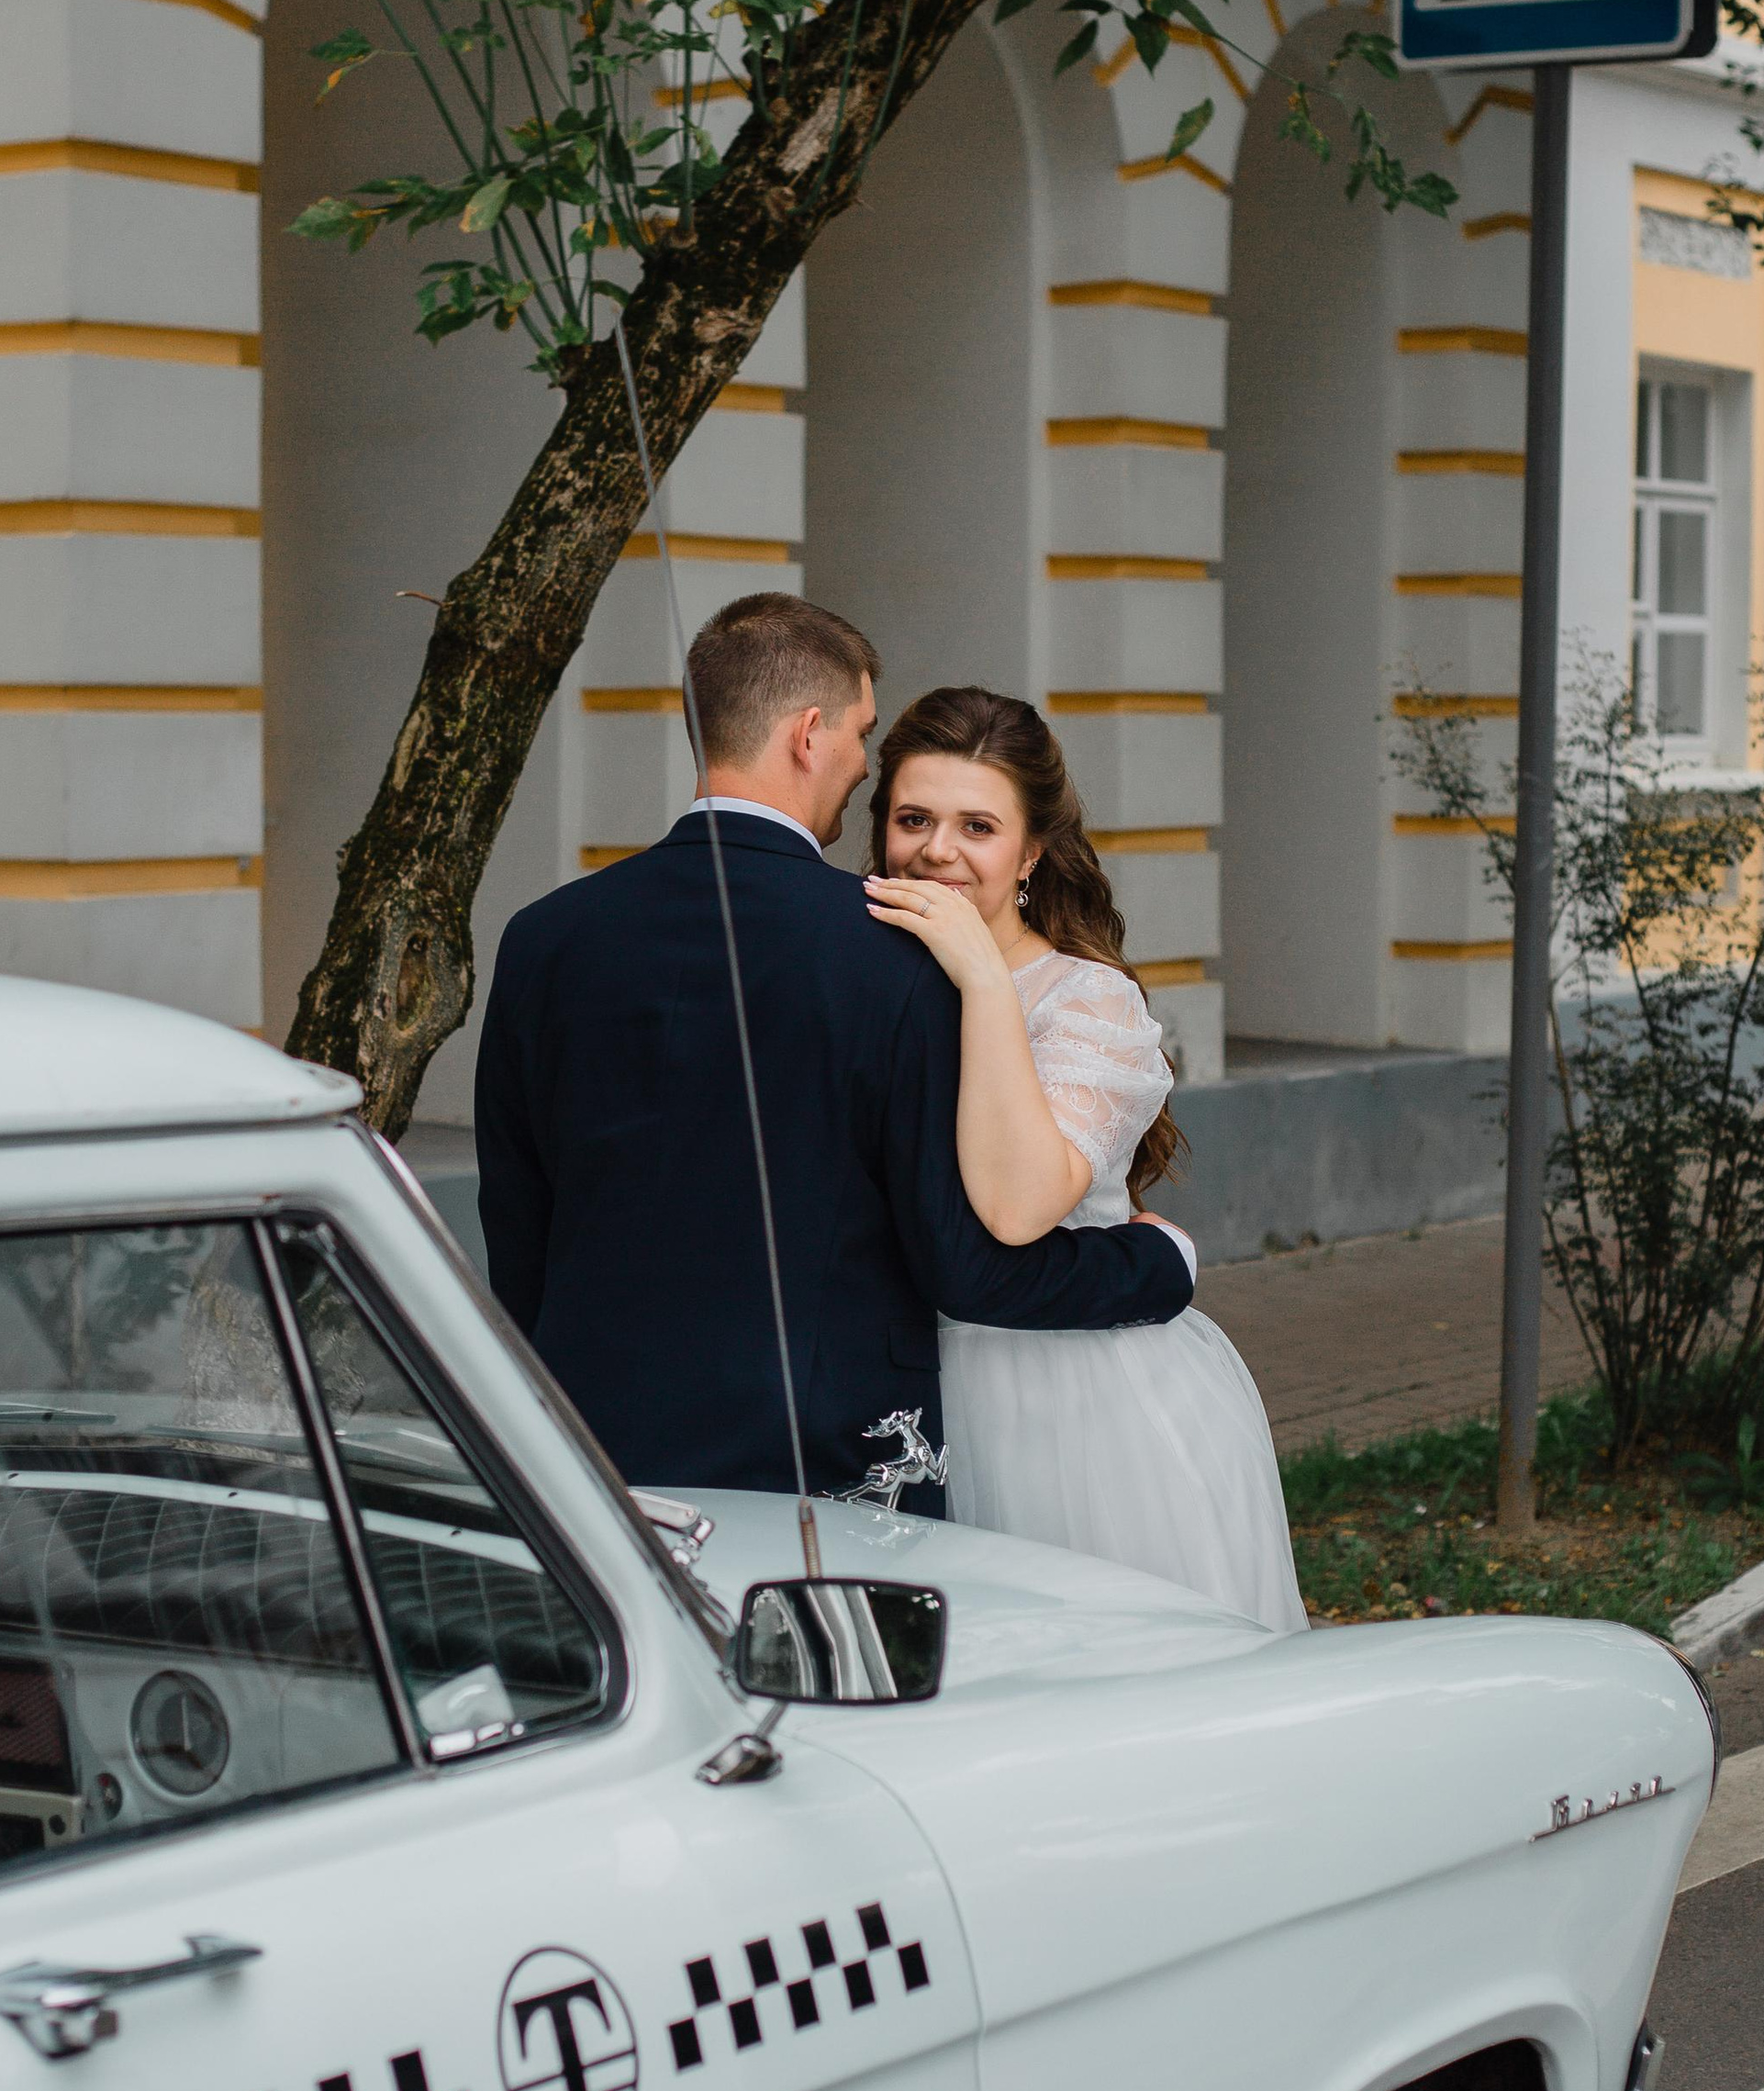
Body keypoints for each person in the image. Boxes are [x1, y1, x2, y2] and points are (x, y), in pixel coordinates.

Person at [474, 595, 1194, 1498]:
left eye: (977, 826)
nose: (861, 765)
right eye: (861, 735)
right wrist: (1156, 1264)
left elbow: (519, 1229)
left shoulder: (543, 937)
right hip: (820, 1446)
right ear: (810, 735)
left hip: (592, 1438)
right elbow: (960, 1261)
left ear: (1029, 852)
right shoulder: (892, 957)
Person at [864, 685, 1305, 1631]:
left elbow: (1021, 1207)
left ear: (1029, 852)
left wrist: (984, 977)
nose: (937, 850)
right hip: (902, 1395)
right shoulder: (854, 972)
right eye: (913, 819)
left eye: (976, 826)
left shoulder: (1083, 1001)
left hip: (1077, 1406)